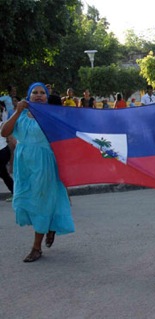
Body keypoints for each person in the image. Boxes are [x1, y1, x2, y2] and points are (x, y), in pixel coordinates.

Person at [0, 82, 74, 262]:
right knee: (26, 200)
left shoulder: (51, 116)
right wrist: (17, 111)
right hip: (24, 165)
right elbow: (4, 132)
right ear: (29, 96)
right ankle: (49, 226)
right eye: (35, 92)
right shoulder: (21, 115)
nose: (39, 95)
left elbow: (65, 139)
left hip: (44, 165)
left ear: (47, 98)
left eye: (43, 93)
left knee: (40, 202)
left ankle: (36, 247)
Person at [0, 103, 13, 200]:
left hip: (3, 152)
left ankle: (16, 193)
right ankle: (15, 192)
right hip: (3, 152)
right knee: (4, 174)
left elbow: (10, 138)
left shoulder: (2, 124)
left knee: (3, 173)